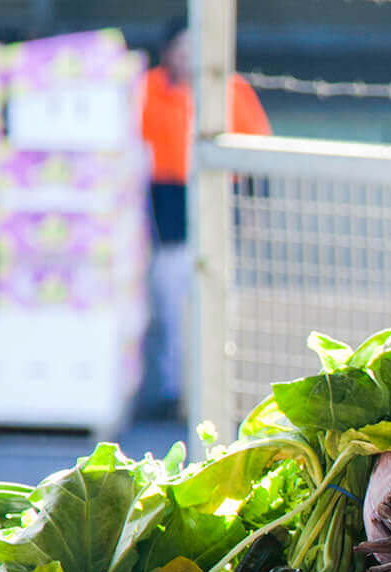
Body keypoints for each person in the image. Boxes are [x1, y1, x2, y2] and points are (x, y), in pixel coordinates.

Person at [139, 17, 270, 417]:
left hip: (219, 207)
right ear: (167, 54)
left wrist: (251, 214)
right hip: (168, 210)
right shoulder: (146, 89)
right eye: (180, 48)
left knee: (219, 302)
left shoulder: (232, 91)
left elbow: (256, 156)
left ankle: (217, 392)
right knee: (170, 303)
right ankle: (174, 391)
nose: (186, 56)